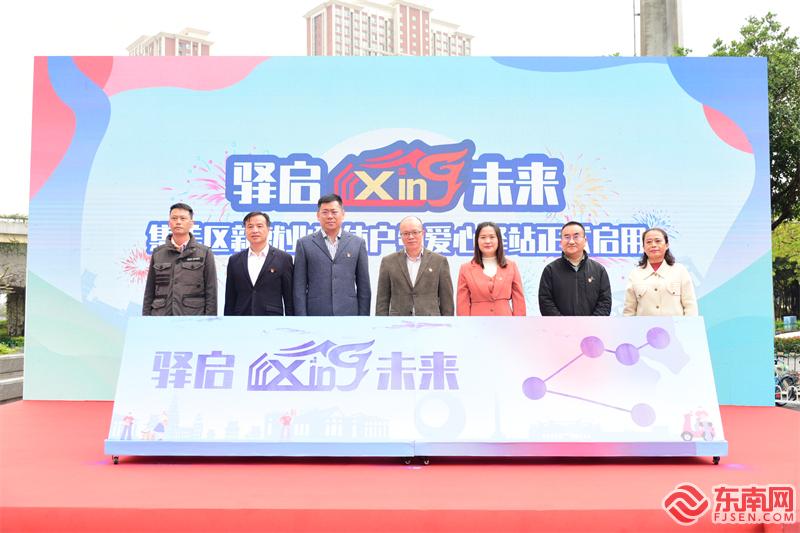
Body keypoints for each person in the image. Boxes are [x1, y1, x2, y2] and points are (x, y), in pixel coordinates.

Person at [293, 194, 371, 316]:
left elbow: (364, 286)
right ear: (318, 215)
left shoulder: (357, 243)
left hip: (348, 313)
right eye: (325, 212)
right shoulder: (304, 244)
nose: (330, 216)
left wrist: (363, 317)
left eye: (334, 212)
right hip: (315, 313)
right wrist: (301, 317)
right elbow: (299, 286)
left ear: (343, 214)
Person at [142, 203, 217, 315]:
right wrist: (146, 318)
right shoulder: (158, 253)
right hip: (161, 316)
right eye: (174, 218)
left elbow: (211, 291)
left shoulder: (204, 253)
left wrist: (209, 320)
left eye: (183, 218)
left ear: (191, 223)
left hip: (193, 316)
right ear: (169, 223)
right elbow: (149, 290)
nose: (178, 222)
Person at [375, 216, 454, 316]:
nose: (411, 237)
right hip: (398, 321)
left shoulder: (439, 261)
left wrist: (447, 322)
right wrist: (382, 323)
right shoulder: (388, 262)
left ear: (423, 233)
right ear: (400, 235)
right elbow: (382, 300)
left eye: (415, 232)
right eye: (406, 233)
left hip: (430, 321)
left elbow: (447, 300)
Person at [224, 212, 294, 316]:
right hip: (241, 318)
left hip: (272, 318)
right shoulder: (234, 260)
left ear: (268, 229)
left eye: (259, 226)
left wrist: (291, 322)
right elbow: (230, 298)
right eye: (250, 226)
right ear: (245, 230)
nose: (255, 230)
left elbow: (289, 298)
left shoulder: (283, 259)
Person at [538, 221, 611, 316]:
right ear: (561, 242)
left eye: (576, 237)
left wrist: (592, 322)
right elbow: (545, 302)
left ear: (585, 241)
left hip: (593, 325)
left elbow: (605, 302)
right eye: (567, 237)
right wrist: (562, 323)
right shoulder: (550, 270)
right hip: (558, 325)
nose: (571, 241)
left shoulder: (599, 270)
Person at [623, 227, 698, 316]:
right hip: (645, 325)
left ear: (667, 245)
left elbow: (690, 306)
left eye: (658, 241)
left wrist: (688, 324)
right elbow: (629, 310)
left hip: (674, 325)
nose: (653, 245)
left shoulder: (679, 270)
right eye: (648, 242)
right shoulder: (635, 274)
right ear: (643, 247)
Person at [457, 222, 526, 316]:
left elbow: (519, 301)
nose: (487, 241)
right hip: (476, 322)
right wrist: (464, 324)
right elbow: (462, 304)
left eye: (492, 237)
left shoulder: (511, 266)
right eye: (483, 237)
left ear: (499, 240)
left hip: (506, 321)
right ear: (477, 241)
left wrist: (519, 323)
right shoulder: (465, 269)